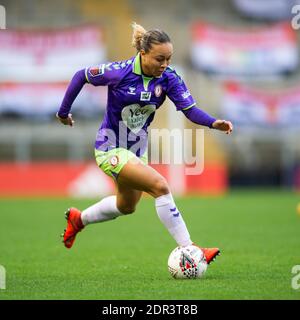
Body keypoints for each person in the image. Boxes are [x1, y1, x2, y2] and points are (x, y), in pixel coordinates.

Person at [56, 23, 233, 265]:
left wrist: (214, 123)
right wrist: (63, 113)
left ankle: (79, 220)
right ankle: (191, 249)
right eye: (159, 58)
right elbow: (81, 75)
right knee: (160, 186)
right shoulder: (119, 72)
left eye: (168, 59)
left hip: (137, 150)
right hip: (110, 148)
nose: (164, 64)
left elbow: (189, 110)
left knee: (126, 206)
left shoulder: (169, 78)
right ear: (143, 54)